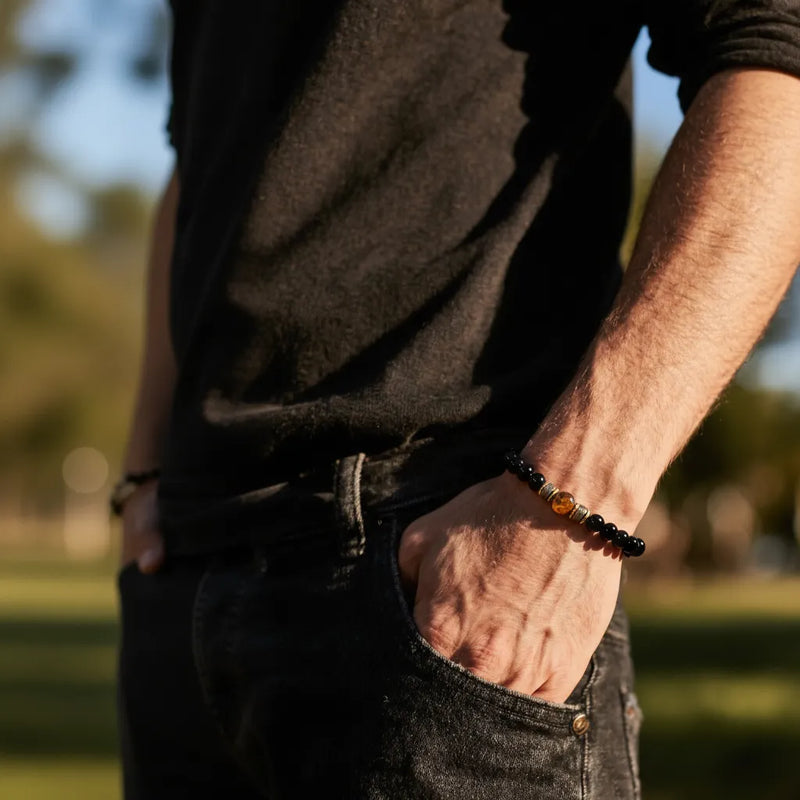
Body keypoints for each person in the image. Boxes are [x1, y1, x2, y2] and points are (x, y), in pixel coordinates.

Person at [114, 2, 800, 797]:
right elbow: (200, 157)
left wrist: (572, 507)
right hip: (187, 571)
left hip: (441, 561)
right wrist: (146, 471)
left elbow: (773, 56)